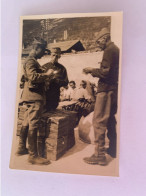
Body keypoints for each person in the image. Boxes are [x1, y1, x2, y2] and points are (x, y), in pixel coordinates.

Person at [83, 28, 119, 165]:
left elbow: (105, 72)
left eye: (98, 41)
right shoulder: (116, 49)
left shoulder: (109, 50)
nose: (98, 44)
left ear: (104, 38)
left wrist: (92, 70)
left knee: (98, 121)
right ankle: (113, 149)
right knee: (109, 119)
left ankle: (99, 155)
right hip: (113, 89)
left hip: (105, 90)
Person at [16, 38, 55, 165]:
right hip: (34, 98)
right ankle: (33, 156)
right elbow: (32, 76)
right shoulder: (31, 61)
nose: (43, 53)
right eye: (43, 51)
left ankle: (22, 148)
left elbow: (28, 77)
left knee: (26, 122)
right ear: (36, 48)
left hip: (30, 97)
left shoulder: (31, 61)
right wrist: (47, 75)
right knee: (34, 125)